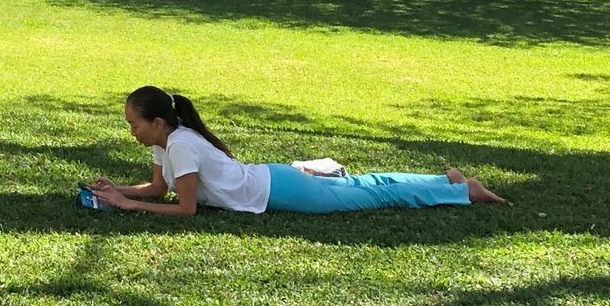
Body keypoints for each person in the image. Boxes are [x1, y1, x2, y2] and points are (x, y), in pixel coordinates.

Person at [88, 85, 508, 216]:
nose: (132, 132)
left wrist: (127, 206)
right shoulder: (168, 141)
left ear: (157, 122)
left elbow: (185, 209)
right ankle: (446, 181)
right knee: (365, 185)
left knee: (372, 195)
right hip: (274, 180)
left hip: (281, 189)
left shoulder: (179, 145)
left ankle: (460, 191)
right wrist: (119, 189)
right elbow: (161, 189)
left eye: (134, 124)